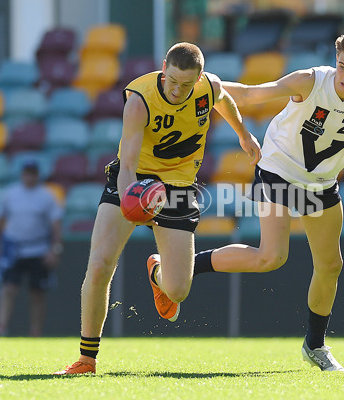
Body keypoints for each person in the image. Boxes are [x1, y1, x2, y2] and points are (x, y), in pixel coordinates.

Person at [185, 28, 344, 372]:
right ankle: (182, 266)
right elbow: (249, 96)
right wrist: (203, 86)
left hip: (320, 184)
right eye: (342, 66)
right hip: (278, 170)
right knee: (271, 257)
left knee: (331, 266)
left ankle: (315, 346)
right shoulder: (310, 81)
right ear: (335, 60)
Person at [54, 42, 261, 375]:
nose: (178, 90)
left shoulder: (210, 87)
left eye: (187, 84)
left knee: (178, 289)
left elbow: (224, 100)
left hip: (178, 189)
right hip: (135, 182)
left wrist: (244, 134)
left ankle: (156, 270)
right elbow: (127, 166)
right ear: (164, 67)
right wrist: (130, 201)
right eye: (173, 80)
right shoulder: (139, 100)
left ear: (199, 77)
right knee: (100, 264)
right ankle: (86, 359)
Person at [0, 160, 63, 337]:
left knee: (37, 292)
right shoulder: (10, 194)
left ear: (38, 175)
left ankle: (36, 330)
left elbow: (56, 225)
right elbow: (0, 223)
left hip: (38, 249)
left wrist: (54, 249)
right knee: (8, 288)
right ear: (22, 174)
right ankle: (1, 326)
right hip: (14, 248)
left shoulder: (46, 196)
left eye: (33, 173)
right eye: (27, 173)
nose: (30, 177)